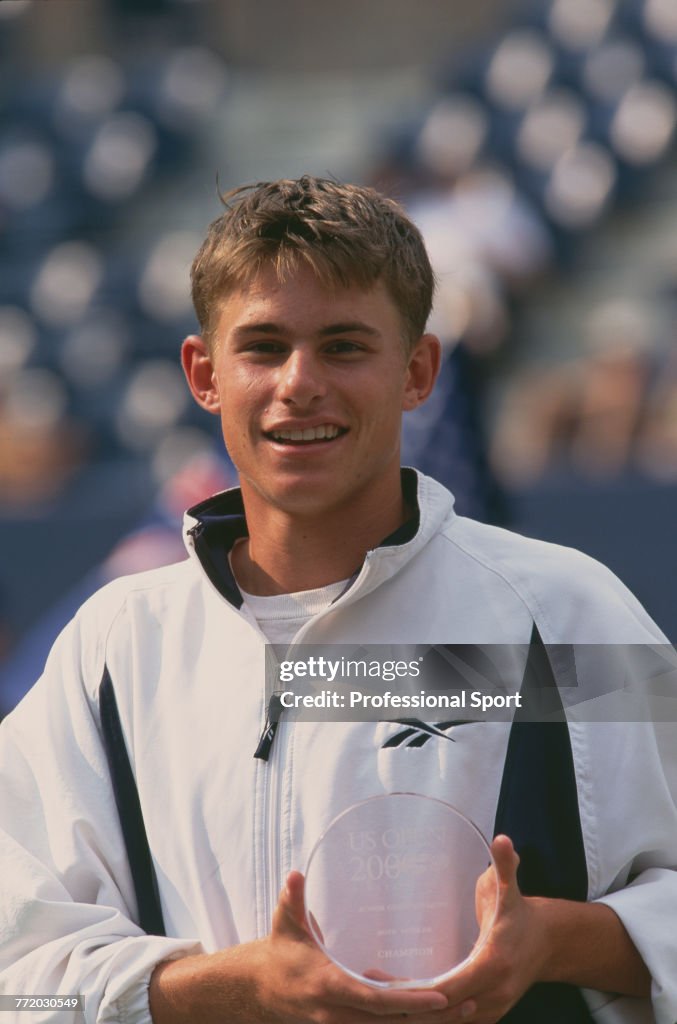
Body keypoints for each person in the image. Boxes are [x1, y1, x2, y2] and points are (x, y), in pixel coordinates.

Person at [0, 175, 675, 1024]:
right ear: (203, 374)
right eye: (263, 347)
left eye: (346, 347)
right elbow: (17, 978)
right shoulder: (114, 647)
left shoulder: (569, 611)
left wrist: (552, 939)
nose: (299, 382)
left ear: (417, 370)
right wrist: (231, 988)